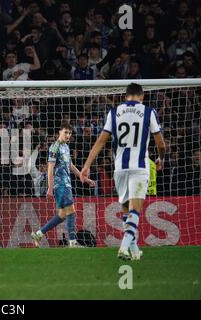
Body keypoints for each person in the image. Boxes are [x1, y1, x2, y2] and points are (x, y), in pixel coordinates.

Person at [80, 83, 166, 260]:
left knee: (127, 211)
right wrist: (161, 158)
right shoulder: (149, 112)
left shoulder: (114, 112)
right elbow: (161, 144)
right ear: (141, 97)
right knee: (135, 209)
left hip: (119, 168)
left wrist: (86, 165)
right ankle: (124, 247)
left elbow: (100, 142)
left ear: (126, 96)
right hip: (140, 167)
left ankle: (135, 251)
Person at [31, 123, 95, 248]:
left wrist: (84, 178)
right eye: (65, 132)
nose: (68, 135)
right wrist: (50, 188)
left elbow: (70, 165)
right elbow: (50, 169)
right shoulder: (54, 147)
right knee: (71, 211)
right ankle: (72, 242)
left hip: (67, 184)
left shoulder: (65, 147)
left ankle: (39, 233)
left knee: (62, 215)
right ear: (59, 132)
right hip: (60, 185)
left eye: (70, 133)